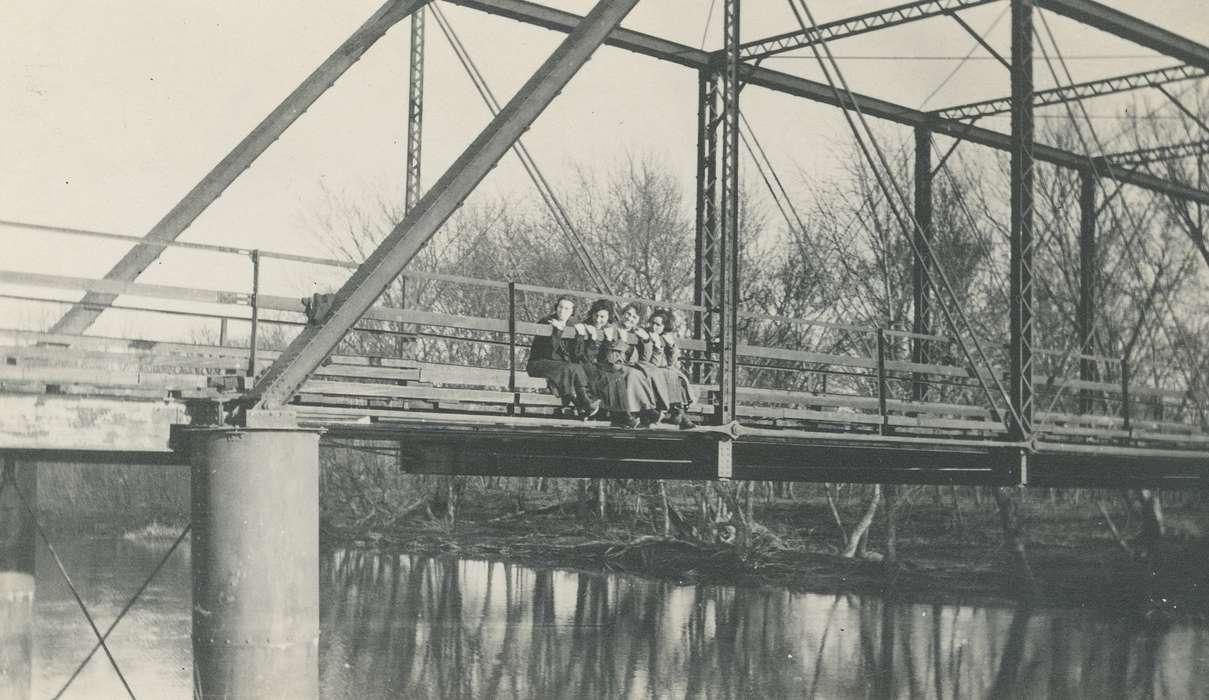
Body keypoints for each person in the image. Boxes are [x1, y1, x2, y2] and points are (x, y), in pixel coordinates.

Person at [574, 299, 659, 428]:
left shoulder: (637, 332)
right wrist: (623, 342)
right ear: (623, 313)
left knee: (646, 372)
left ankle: (647, 409)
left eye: (634, 317)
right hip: (611, 365)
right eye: (628, 314)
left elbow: (645, 358)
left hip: (627, 366)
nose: (629, 318)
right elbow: (610, 356)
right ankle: (644, 410)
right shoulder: (611, 327)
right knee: (633, 374)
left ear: (638, 320)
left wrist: (646, 341)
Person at [526, 296, 600, 418]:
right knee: (570, 368)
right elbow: (549, 354)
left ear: (572, 311)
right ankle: (585, 402)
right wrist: (558, 332)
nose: (562, 311)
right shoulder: (547, 322)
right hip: (539, 363)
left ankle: (583, 404)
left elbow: (577, 356)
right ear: (556, 307)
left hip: (561, 367)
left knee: (575, 366)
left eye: (567, 308)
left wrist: (580, 336)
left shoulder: (574, 325)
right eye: (560, 307)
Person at [643, 309, 696, 429]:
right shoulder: (646, 335)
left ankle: (678, 411)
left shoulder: (664, 338)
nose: (653, 326)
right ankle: (678, 413)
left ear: (664, 327)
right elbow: (651, 363)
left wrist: (671, 346)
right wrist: (657, 347)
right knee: (669, 374)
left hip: (662, 370)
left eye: (658, 325)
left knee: (676, 375)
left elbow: (672, 362)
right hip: (649, 370)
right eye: (652, 323)